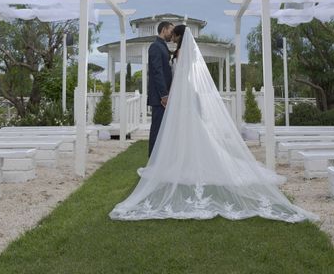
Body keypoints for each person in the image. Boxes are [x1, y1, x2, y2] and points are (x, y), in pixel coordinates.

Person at [110, 25, 317, 223]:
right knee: (183, 131)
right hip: (178, 95)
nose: (172, 36)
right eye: (170, 32)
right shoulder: (175, 51)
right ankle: (174, 160)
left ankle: (179, 162)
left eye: (174, 34)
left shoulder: (181, 54)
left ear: (178, 36)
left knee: (187, 130)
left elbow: (178, 76)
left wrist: (170, 93)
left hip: (181, 95)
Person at [147, 21, 174, 158]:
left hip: (165, 97)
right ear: (164, 30)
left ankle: (161, 160)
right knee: (157, 130)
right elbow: (157, 72)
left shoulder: (163, 47)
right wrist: (164, 95)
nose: (172, 34)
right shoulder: (155, 47)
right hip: (159, 98)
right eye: (171, 30)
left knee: (163, 131)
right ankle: (153, 161)